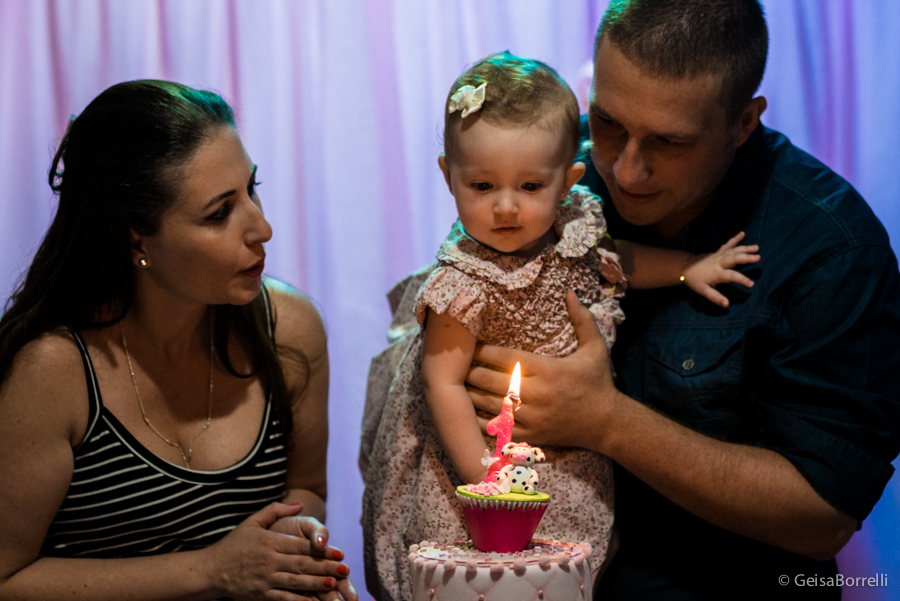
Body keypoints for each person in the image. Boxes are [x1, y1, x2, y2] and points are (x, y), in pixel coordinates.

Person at [460, 2, 900, 600]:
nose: (625, 168)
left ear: (744, 123)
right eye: (609, 122)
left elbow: (824, 516)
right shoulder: (558, 170)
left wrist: (607, 421)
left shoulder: (833, 248)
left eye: (669, 142)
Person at [360, 52, 760, 601]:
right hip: (475, 455)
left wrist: (690, 268)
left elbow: (618, 260)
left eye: (529, 187)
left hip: (566, 447)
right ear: (448, 176)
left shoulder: (574, 227)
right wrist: (485, 476)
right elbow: (443, 382)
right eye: (481, 186)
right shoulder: (464, 281)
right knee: (488, 579)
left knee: (565, 563)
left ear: (569, 181)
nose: (505, 208)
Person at [0, 80, 357, 601]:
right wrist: (214, 569)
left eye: (252, 189)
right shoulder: (55, 370)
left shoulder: (288, 328)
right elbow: (5, 578)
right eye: (219, 213)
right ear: (137, 239)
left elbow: (307, 491)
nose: (262, 228)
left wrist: (295, 549)